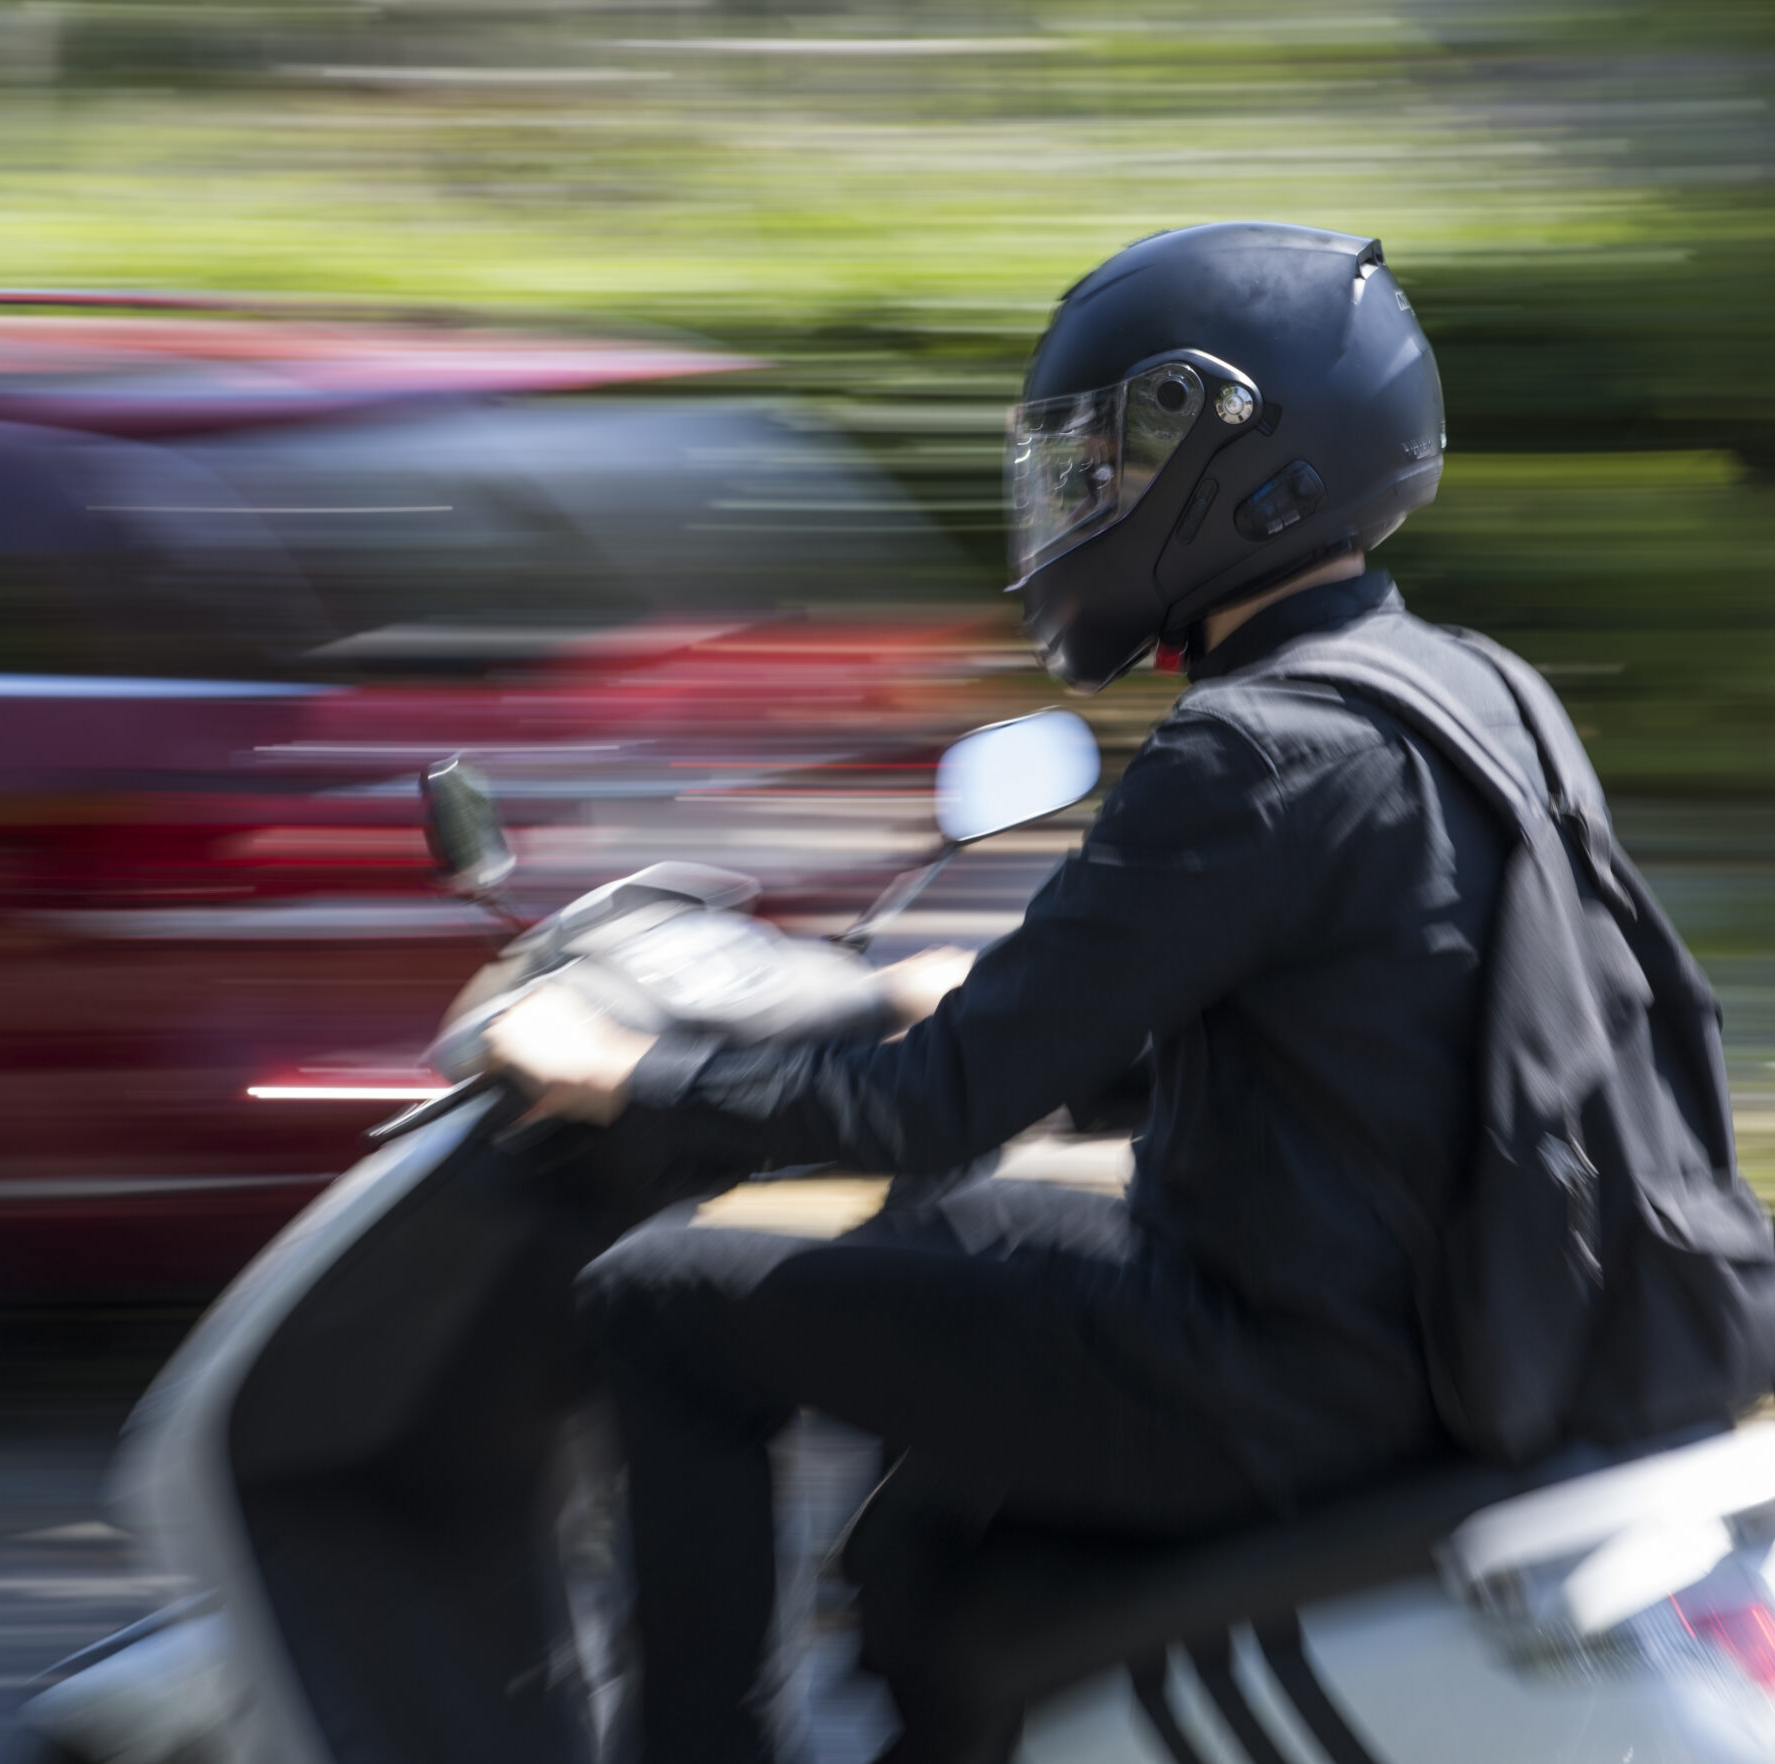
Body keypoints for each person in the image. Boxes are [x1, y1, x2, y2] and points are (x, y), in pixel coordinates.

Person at [488, 222, 1513, 1764]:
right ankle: (933, 1667)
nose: (1082, 500)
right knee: (944, 1266)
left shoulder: (1253, 750)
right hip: (1398, 1316)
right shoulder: (1455, 690)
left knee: (664, 1295)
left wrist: (622, 1069)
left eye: (1115, 458)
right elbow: (1358, 1028)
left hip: (1277, 1359)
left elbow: (932, 1107)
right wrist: (1020, 1007)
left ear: (1249, 464)